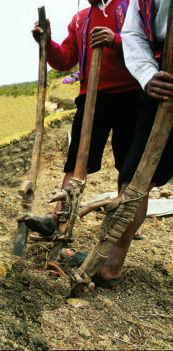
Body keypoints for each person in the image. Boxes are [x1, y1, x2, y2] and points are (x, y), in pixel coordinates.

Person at [62, 0, 173, 287]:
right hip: (160, 79)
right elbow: (135, 34)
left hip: (132, 89)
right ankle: (109, 264)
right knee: (134, 179)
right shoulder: (128, 4)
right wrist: (149, 76)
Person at [25, 0, 143, 241]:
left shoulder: (132, 7)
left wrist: (116, 40)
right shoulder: (81, 19)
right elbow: (65, 60)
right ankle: (59, 216)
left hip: (131, 94)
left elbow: (149, 45)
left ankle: (126, 220)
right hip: (91, 97)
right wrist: (46, 42)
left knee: (128, 161)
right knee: (78, 159)